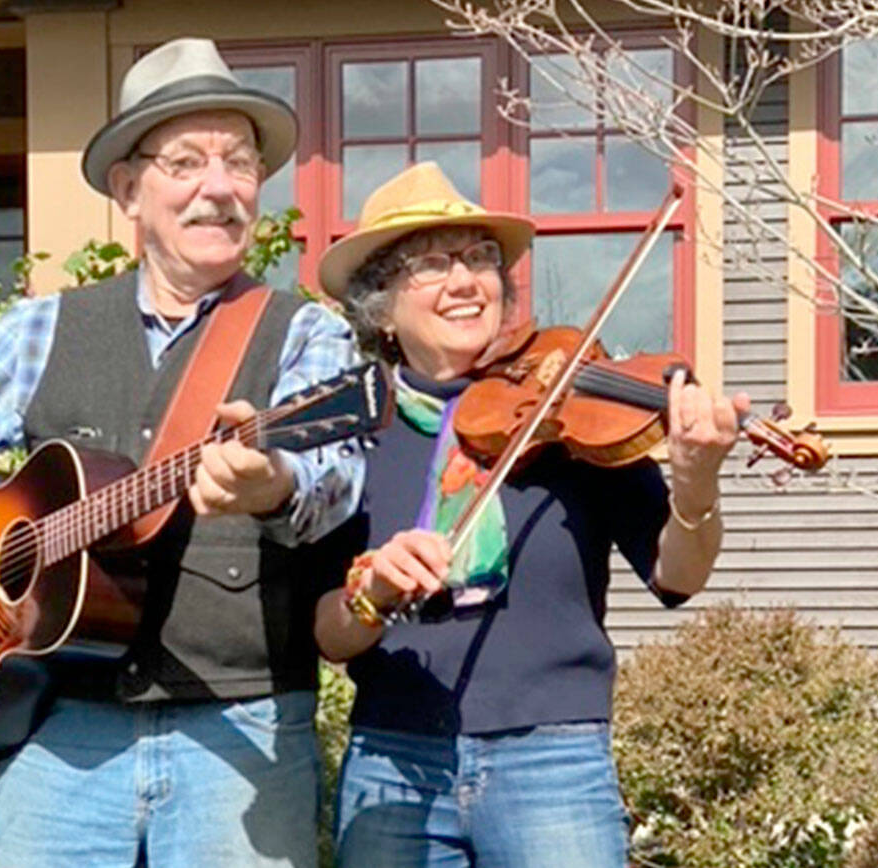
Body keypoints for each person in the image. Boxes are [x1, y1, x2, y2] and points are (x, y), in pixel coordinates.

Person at [0, 37, 363, 868]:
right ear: (129, 188)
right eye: (186, 162)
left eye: (239, 162)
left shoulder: (308, 335)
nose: (219, 188)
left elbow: (336, 473)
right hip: (61, 726)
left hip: (243, 725)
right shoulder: (43, 328)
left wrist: (275, 483)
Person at [313, 162, 748, 868]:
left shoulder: (570, 413)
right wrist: (375, 591)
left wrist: (696, 484)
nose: (465, 280)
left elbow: (679, 574)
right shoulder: (351, 434)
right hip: (392, 758)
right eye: (430, 265)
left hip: (554, 759)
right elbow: (328, 633)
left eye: (481, 258)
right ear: (381, 309)